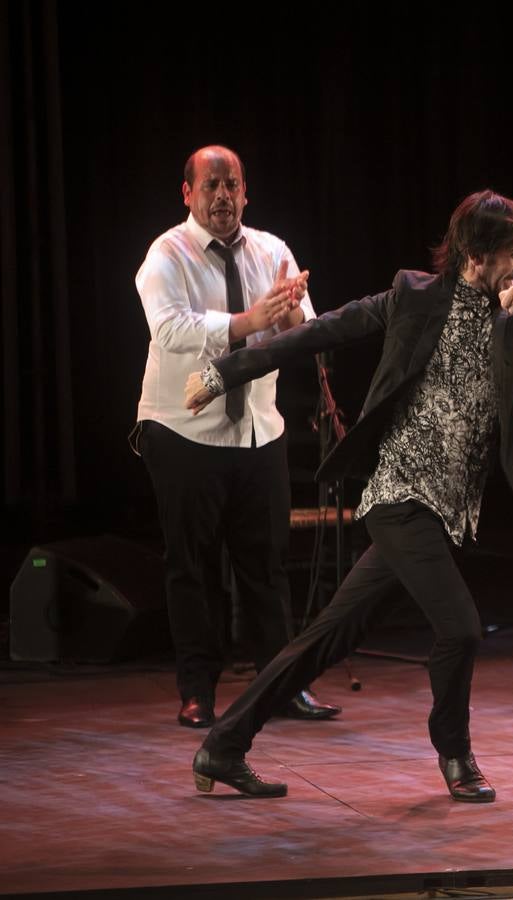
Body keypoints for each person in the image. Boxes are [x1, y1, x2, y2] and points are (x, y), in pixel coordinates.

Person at [186, 190, 513, 801]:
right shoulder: (414, 297)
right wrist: (226, 369)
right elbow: (320, 332)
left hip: (449, 513)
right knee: (461, 628)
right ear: (477, 251)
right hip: (400, 497)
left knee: (326, 638)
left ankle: (222, 745)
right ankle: (456, 754)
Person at [134, 145, 340, 728]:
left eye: (233, 185)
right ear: (188, 194)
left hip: (257, 432)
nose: (222, 195)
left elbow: (307, 331)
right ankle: (198, 690)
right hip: (182, 429)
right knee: (192, 567)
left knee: (266, 566)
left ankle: (284, 685)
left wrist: (292, 311)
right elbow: (170, 329)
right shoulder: (167, 254)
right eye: (211, 185)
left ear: (246, 192)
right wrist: (252, 320)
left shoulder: (272, 250)